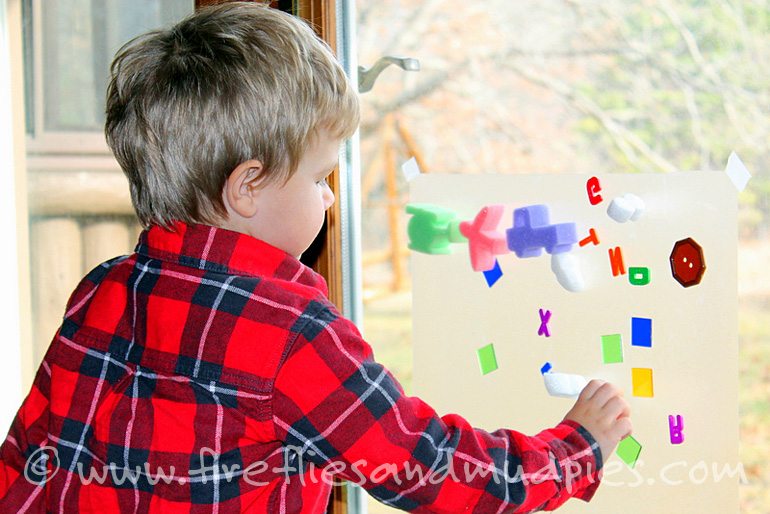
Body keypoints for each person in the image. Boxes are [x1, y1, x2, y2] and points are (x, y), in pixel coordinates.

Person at [0, 3, 631, 512]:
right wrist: (576, 451)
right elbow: (422, 465)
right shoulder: (290, 333)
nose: (330, 198)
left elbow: (29, 457)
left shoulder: (104, 288)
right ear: (247, 186)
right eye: (320, 177)